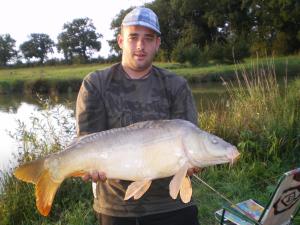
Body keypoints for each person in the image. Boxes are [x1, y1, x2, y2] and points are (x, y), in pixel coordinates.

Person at [76, 7, 200, 225]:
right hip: (116, 206)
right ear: (121, 40)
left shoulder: (176, 85)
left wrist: (195, 161)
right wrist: (89, 168)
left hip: (172, 204)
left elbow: (190, 138)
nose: (141, 46)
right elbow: (87, 138)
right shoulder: (96, 83)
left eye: (148, 38)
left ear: (157, 43)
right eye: (133, 37)